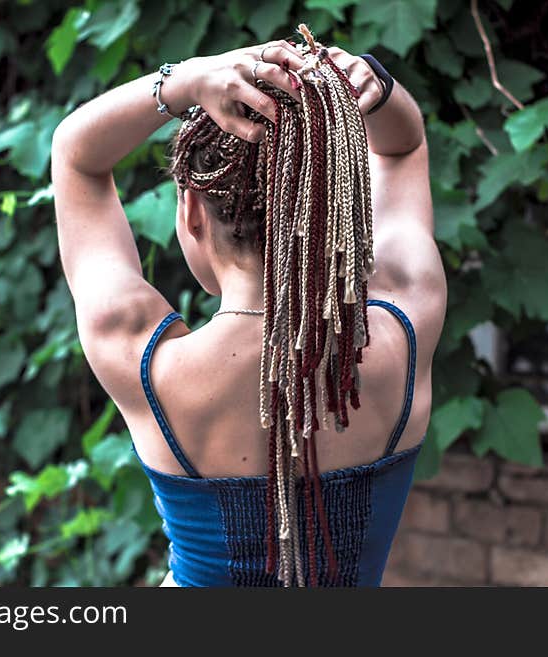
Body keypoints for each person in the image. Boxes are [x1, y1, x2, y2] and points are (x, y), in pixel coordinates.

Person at [51, 29, 447, 587]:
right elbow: (404, 147)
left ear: (191, 211)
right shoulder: (408, 320)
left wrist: (182, 81)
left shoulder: (143, 360)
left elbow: (75, 154)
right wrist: (378, 88)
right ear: (341, 205)